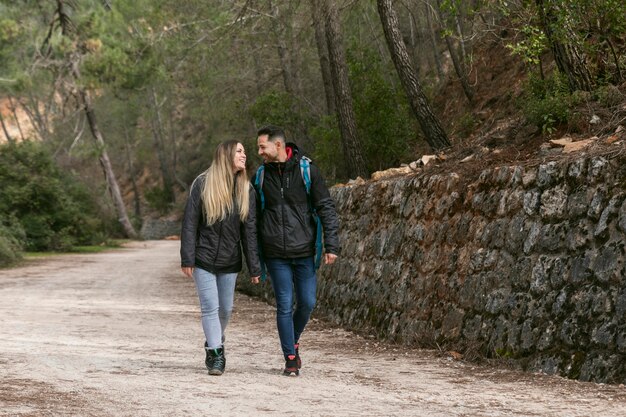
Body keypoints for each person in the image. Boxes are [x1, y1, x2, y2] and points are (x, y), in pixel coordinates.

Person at [255, 125, 340, 376]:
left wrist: (331, 245)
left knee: (307, 302)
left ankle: (293, 340)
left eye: (262, 146)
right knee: (283, 304)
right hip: (275, 254)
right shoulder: (260, 176)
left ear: (278, 146)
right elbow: (253, 217)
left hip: (304, 251)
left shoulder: (307, 171)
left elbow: (325, 207)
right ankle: (290, 358)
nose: (259, 151)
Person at [180, 140, 261, 376]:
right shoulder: (203, 183)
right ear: (226, 155)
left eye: (244, 151)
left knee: (225, 309)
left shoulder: (247, 190)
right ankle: (216, 354)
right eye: (239, 151)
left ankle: (213, 340)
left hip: (230, 259)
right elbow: (189, 223)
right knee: (210, 308)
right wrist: (188, 258)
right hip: (203, 258)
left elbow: (250, 231)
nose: (244, 155)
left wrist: (254, 266)